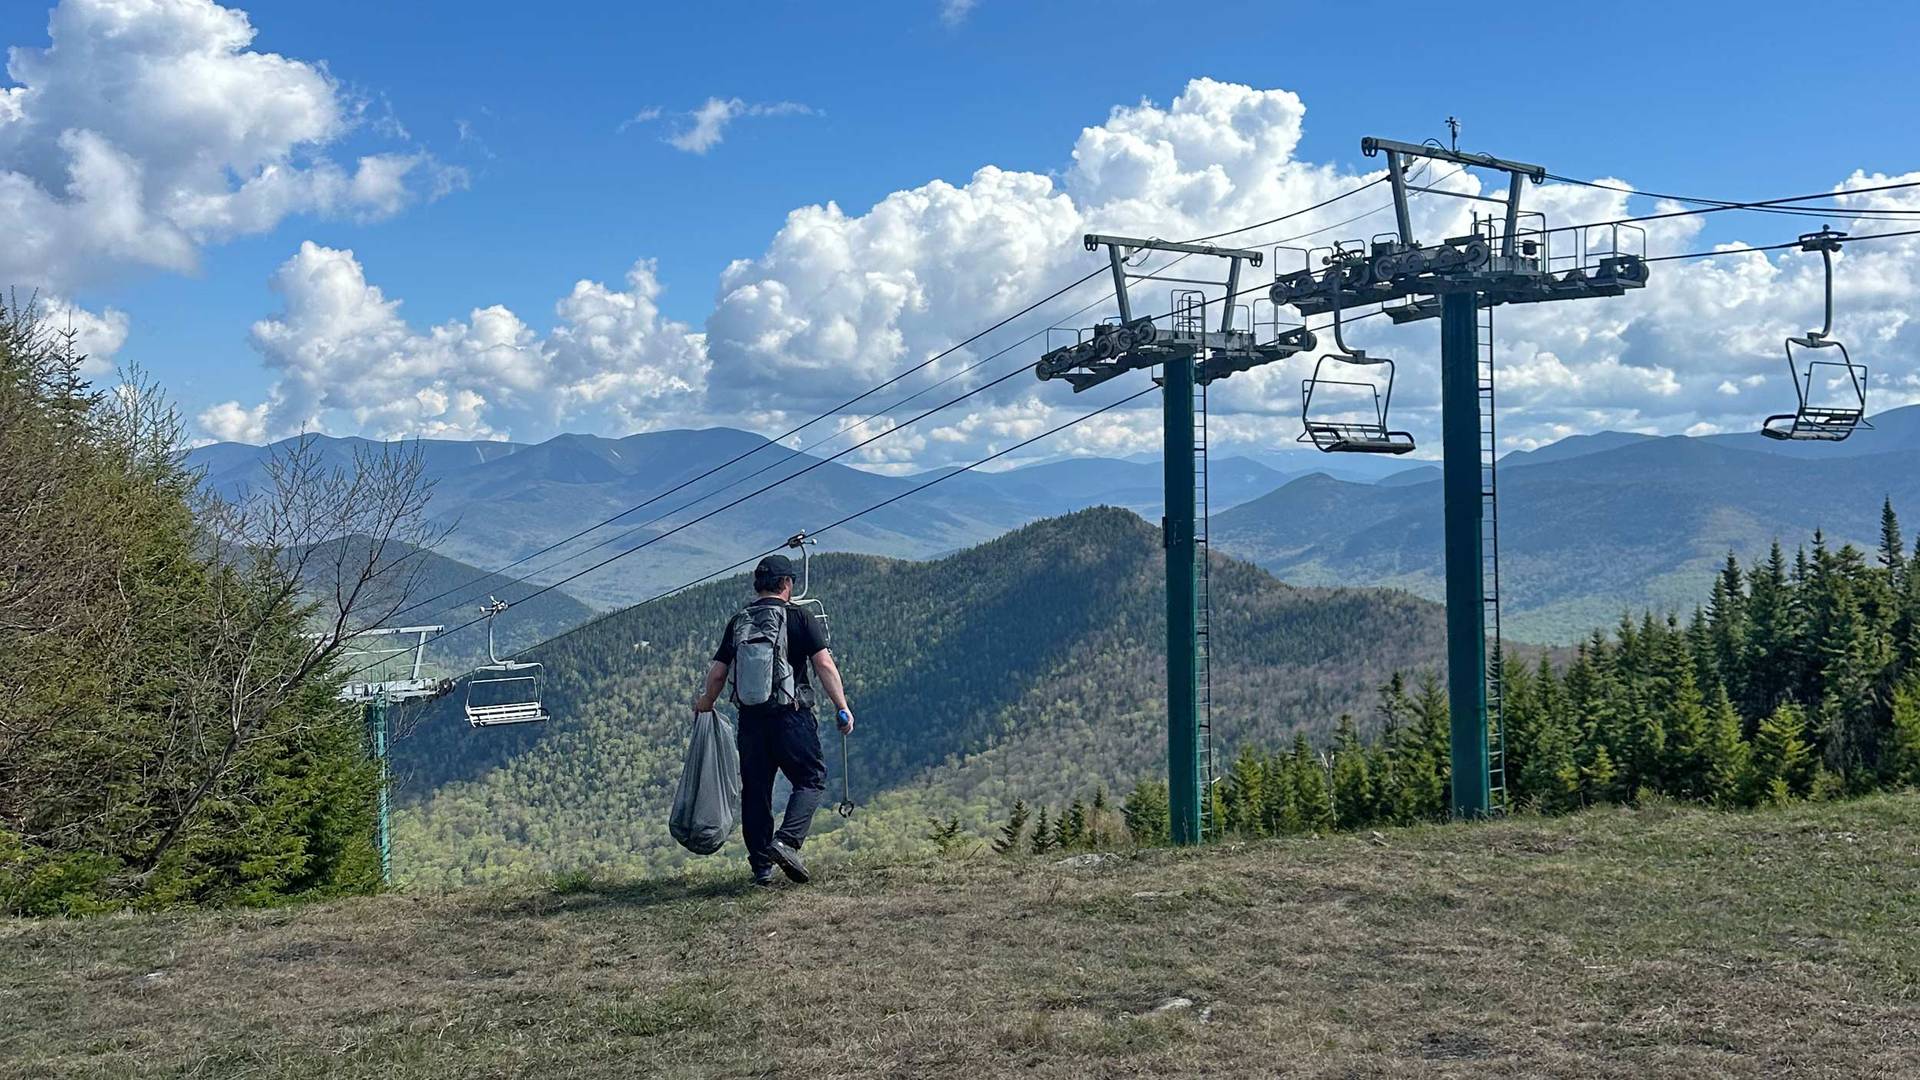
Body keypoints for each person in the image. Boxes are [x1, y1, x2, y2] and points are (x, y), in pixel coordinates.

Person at [692, 552, 854, 886]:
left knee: (756, 791)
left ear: (757, 584)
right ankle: (787, 842)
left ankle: (761, 869)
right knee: (811, 779)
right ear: (786, 584)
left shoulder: (740, 620)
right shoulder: (800, 618)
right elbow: (824, 665)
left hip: (751, 721)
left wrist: (706, 702)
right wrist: (842, 706)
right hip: (791, 718)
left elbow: (720, 672)